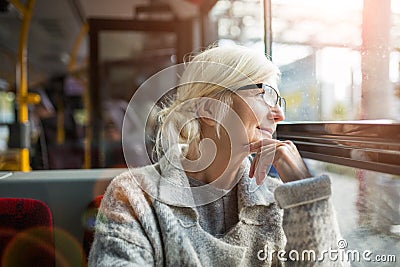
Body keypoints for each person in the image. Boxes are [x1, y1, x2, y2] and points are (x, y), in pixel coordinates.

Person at [89, 45, 346, 266]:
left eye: (279, 100)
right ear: (211, 108)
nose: (280, 114)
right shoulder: (134, 196)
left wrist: (305, 193)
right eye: (265, 94)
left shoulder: (278, 200)